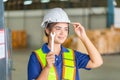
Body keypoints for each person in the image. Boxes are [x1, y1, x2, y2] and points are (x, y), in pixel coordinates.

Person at [28, 8, 103, 80]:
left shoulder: (73, 55)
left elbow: (97, 62)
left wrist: (83, 36)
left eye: (66, 29)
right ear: (47, 30)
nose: (62, 33)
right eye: (58, 28)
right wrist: (47, 67)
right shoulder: (36, 57)